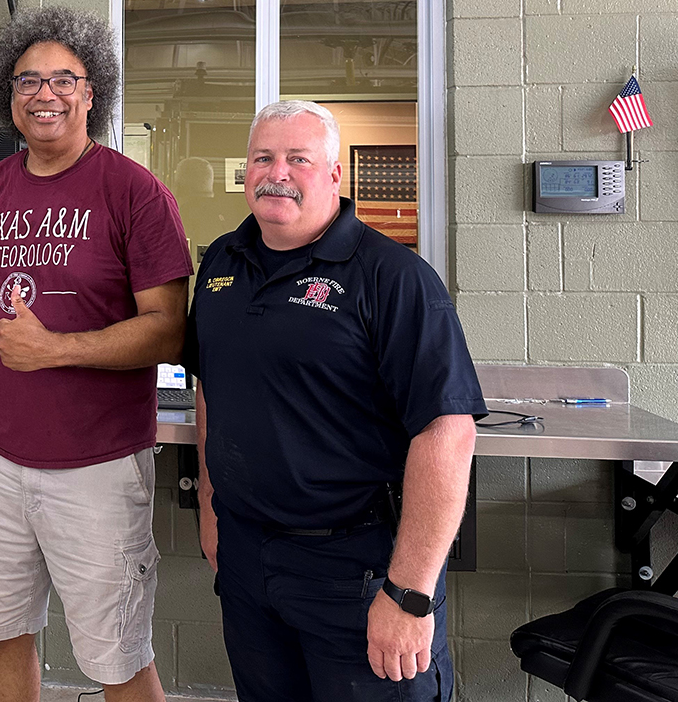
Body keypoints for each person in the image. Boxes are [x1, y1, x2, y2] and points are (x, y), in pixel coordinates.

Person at [188, 100, 485, 702]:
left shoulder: (392, 277)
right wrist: (212, 507)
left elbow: (449, 434)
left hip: (358, 568)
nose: (278, 173)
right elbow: (210, 392)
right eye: (263, 158)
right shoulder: (221, 261)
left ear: (332, 174)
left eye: (298, 159)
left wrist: (409, 593)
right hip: (249, 561)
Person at [0, 6, 192, 702]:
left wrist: (54, 350)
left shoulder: (134, 193)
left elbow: (167, 329)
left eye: (63, 79)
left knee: (117, 657)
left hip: (99, 469)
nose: (43, 93)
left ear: (91, 92)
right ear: (8, 96)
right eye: (27, 80)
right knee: (1, 634)